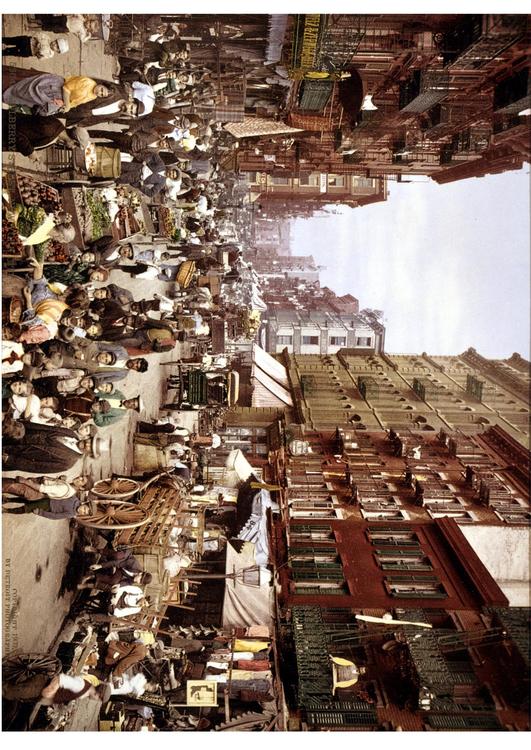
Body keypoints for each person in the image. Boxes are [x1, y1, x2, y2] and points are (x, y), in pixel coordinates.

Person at [2, 422, 94, 474]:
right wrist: (22, 424)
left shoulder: (68, 463)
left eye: (91, 448)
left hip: (15, 454)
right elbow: (43, 427)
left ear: (89, 454)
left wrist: (10, 460)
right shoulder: (71, 433)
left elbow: (37, 467)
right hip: (15, 435)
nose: (87, 444)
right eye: (90, 441)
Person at [3, 71, 109, 115]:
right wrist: (66, 104)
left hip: (62, 100)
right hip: (57, 87)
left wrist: (64, 106)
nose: (100, 93)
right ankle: (9, 94)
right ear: (101, 84)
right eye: (102, 90)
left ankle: (12, 107)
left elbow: (75, 103)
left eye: (102, 95)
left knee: (45, 110)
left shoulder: (93, 96)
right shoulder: (87, 82)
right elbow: (66, 88)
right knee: (31, 92)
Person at [2, 34, 69, 59]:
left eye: (57, 47)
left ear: (57, 51)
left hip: (27, 51)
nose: (54, 45)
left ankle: (4, 52)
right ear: (55, 39)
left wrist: (40, 54)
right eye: (56, 42)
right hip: (26, 40)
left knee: (11, 51)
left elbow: (40, 57)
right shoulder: (47, 38)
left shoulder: (50, 54)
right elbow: (37, 35)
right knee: (10, 40)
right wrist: (39, 41)